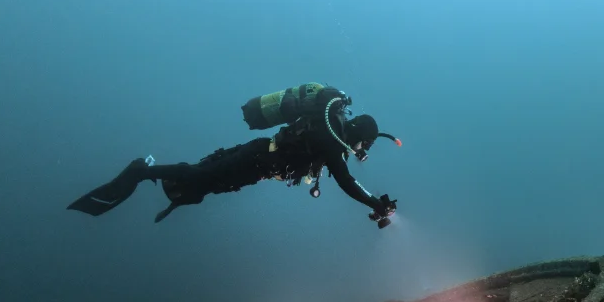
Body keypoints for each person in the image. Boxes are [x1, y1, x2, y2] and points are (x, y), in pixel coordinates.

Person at [67, 83, 401, 227]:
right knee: (199, 176)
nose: (361, 151)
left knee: (203, 186)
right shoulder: (333, 133)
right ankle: (141, 170)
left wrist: (374, 202)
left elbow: (344, 176)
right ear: (360, 134)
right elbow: (345, 180)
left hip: (257, 168)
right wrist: (375, 204)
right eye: (364, 145)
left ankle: (166, 185)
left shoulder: (332, 132)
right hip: (256, 157)